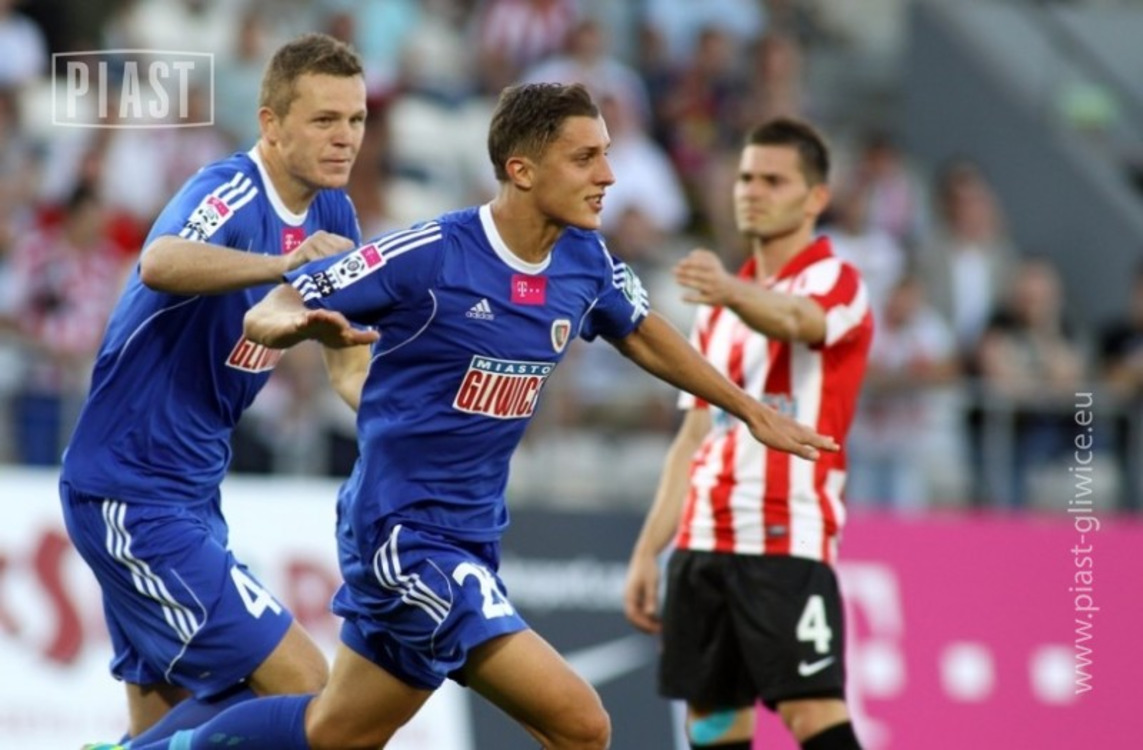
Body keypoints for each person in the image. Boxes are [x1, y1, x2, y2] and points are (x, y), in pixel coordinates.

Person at [104, 82, 839, 750]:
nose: (608, 177)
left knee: (334, 732)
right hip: (405, 538)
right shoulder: (431, 253)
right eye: (585, 158)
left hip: (471, 533)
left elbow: (644, 333)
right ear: (522, 170)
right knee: (582, 724)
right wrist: (283, 323)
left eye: (608, 156)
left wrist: (747, 410)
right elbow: (286, 298)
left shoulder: (585, 262)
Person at [61, 33, 369, 744]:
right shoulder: (231, 190)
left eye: (356, 119)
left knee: (165, 711)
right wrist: (281, 265)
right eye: (324, 119)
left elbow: (347, 362)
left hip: (195, 492)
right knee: (309, 689)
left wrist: (406, 426)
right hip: (130, 490)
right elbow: (160, 260)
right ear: (271, 124)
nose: (345, 137)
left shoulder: (335, 215)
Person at [624, 118, 872, 750]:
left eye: (773, 180)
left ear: (816, 197)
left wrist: (730, 289)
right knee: (712, 724)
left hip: (786, 533)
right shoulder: (719, 308)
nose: (752, 191)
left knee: (813, 713)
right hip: (702, 538)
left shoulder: (835, 279)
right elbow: (692, 437)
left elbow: (796, 319)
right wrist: (650, 549)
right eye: (745, 177)